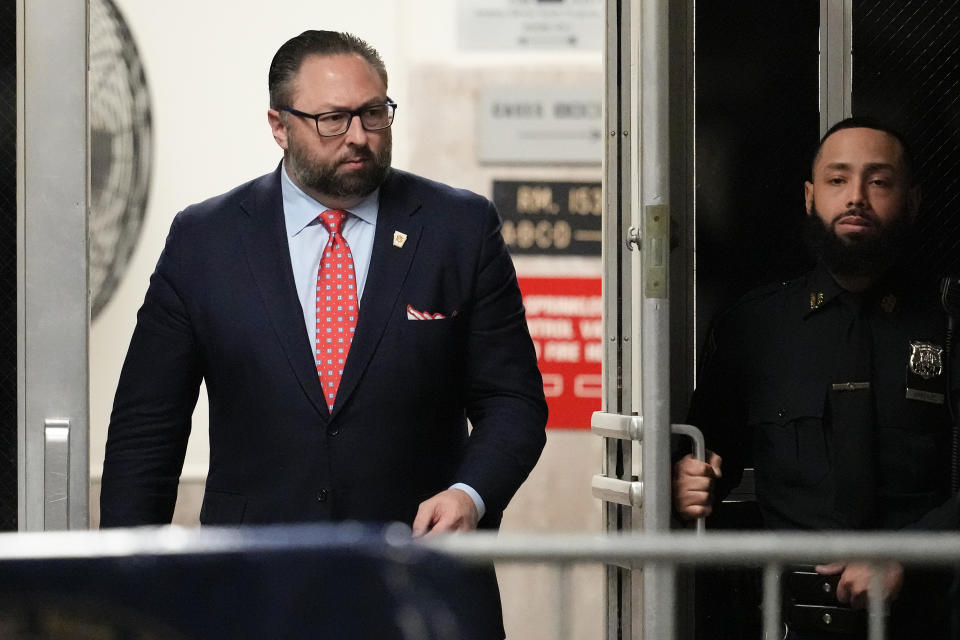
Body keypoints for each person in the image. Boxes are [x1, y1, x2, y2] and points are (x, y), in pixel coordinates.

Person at [100, 30, 548, 639]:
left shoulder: (458, 229)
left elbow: (513, 402)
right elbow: (145, 431)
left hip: (420, 581)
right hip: (252, 589)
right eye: (333, 119)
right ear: (279, 125)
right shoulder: (205, 241)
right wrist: (129, 588)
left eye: (373, 113)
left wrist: (470, 494)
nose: (360, 136)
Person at [673, 117, 958, 639]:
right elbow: (704, 455)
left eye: (879, 181)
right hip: (790, 620)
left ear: (913, 200)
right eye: (837, 179)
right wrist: (687, 481)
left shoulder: (949, 322)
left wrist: (905, 556)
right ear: (809, 196)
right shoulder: (754, 327)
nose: (856, 197)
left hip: (929, 614)